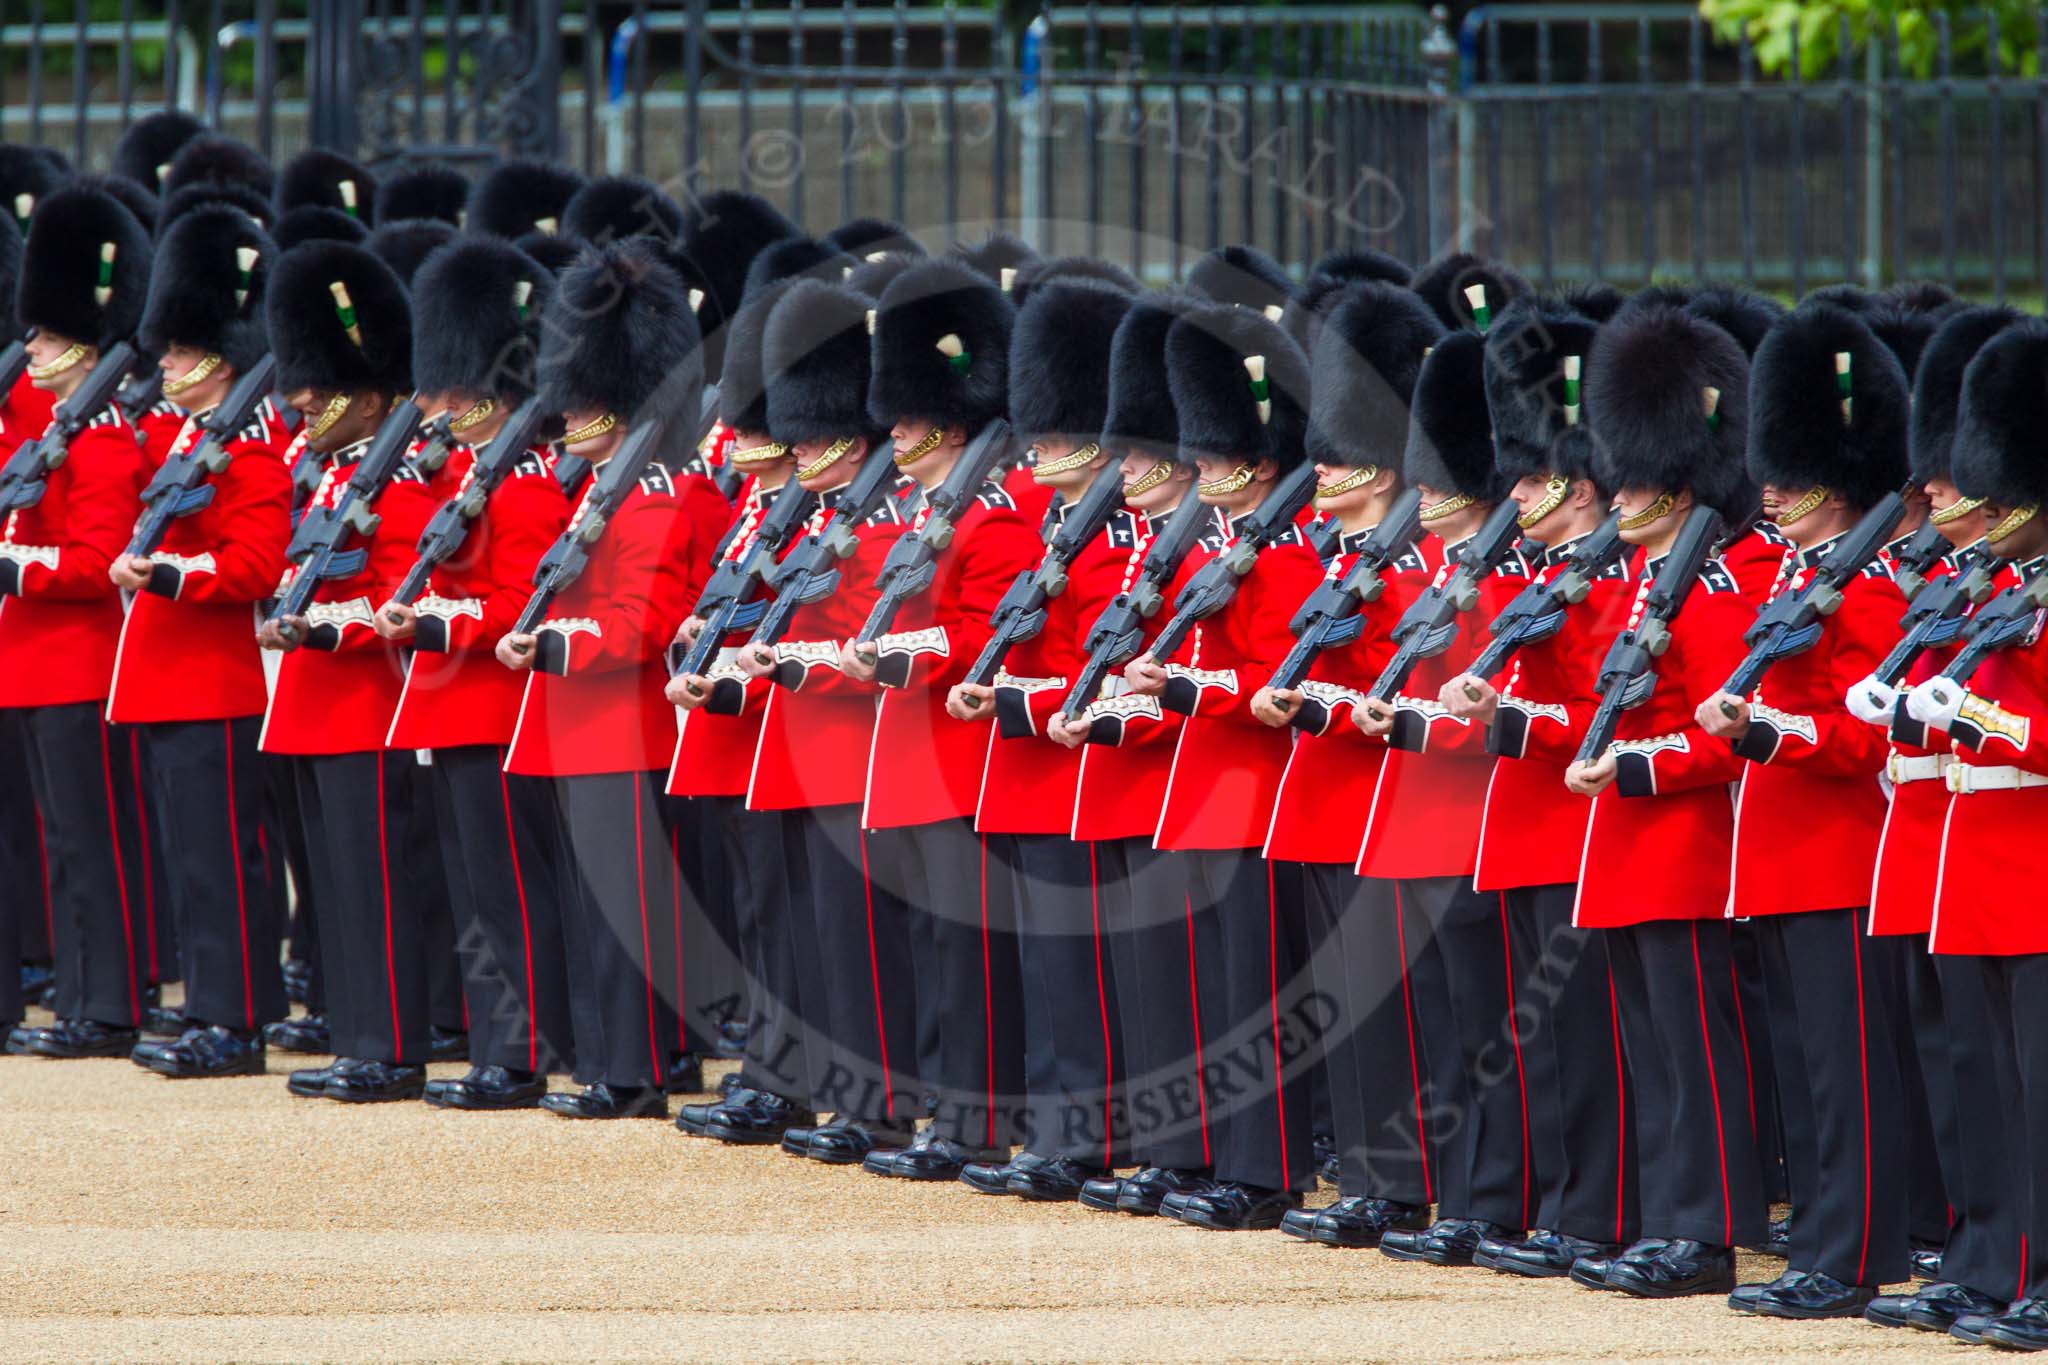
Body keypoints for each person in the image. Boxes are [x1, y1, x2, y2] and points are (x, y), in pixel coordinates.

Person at [1695, 302, 1913, 1319]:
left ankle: (1855, 1250)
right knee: (1806, 1068)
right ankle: (1822, 1238)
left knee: (1846, 1075)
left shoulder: (1864, 588)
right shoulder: (1797, 572)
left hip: (1837, 854)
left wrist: (1763, 737)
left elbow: (1863, 736)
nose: (1770, 492)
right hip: (1777, 853)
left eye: (1792, 477)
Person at [1563, 302, 1770, 1297]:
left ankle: (1708, 1229)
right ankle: (1662, 1217)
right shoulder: (1638, 584)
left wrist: (1637, 770)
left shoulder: (1714, 588)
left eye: (1642, 478)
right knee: (1649, 1047)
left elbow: (1722, 735)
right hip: (1622, 844)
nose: (1624, 493)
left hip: (1683, 842)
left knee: (1694, 1050)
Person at [1436, 296, 1641, 1275]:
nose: (1518, 491)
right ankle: (1558, 1202)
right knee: (1540, 1044)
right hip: (1517, 824)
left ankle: (1592, 1208)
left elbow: (1604, 704)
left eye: (1537, 477)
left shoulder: (1606, 580)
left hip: (1571, 822)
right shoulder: (1536, 571)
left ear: (1581, 483)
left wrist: (1509, 718)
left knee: (1585, 1040)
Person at [1119, 302, 1328, 1231]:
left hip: (1252, 792)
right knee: (1206, 991)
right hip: (1202, 793)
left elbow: (1268, 682)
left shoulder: (1282, 557)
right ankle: (1201, 1150)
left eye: (1213, 457)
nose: (1198, 471)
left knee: (1250, 994)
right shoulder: (1217, 543)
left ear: (1259, 457)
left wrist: (1181, 685)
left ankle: (1263, 1165)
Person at [498, 239, 712, 1119]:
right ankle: (615, 1059)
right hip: (579, 726)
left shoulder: (652, 491)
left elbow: (643, 622)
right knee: (593, 909)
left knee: (627, 914)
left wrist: (550, 643)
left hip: (625, 727)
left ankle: (633, 1073)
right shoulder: (597, 487)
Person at [842, 259, 1041, 1181]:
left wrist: (893, 653)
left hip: (958, 757)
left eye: (912, 422)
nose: (896, 433)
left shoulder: (989, 519)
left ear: (950, 425)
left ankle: (975, 1121)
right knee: (928, 945)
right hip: (911, 756)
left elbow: (980, 634)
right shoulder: (932, 509)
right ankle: (940, 1109)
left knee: (967, 955)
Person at [1255, 280, 1441, 1248]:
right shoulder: (1342, 555)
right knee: (1338, 1007)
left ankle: (1397, 1180)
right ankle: (1363, 1170)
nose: (1321, 477)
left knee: (1388, 1007)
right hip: (1321, 802)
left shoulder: (1409, 565)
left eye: (1339, 463)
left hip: (1379, 801)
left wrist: (1326, 703)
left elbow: (1393, 684)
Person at [947, 275, 1140, 1201]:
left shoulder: (1111, 537)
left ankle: (1088, 1132)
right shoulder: (1051, 522)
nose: (1044, 443)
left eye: (1062, 427)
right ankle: (1054, 1121)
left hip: (1073, 763)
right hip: (1023, 766)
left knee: (1079, 964)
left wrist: (1014, 696)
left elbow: (1102, 663)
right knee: (1042, 963)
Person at [374, 233, 574, 1110]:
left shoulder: (523, 486)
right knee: (469, 887)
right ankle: (497, 1040)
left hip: (493, 706)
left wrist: (434, 622)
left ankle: (520, 1048)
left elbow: (515, 606)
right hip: (448, 706)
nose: (437, 401)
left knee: (505, 888)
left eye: (453, 386)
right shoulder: (456, 473)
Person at [1356, 324, 1535, 1265]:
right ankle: (1435, 1188)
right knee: (1428, 1030)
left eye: (1434, 484)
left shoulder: (1504, 578)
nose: (1419, 497)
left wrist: (1426, 725)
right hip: (1410, 823)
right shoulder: (1421, 571)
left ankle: (1487, 1195)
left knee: (1480, 1030)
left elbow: (1500, 702)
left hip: (1471, 823)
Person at [110, 199, 291, 1078]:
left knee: (224, 859)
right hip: (163, 676)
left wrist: (173, 576)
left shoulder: (249, 452)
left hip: (213, 681)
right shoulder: (178, 438)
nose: (167, 362)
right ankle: (208, 1007)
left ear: (219, 359)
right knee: (189, 859)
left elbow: (254, 564)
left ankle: (239, 1017)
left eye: (179, 351)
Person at [259, 238, 439, 1103]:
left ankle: (392, 1043)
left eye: (321, 392)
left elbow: (395, 595)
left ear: (369, 397)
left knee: (375, 884)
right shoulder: (329, 471)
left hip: (366, 704)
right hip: (313, 703)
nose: (301, 401)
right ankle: (355, 1029)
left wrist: (318, 627)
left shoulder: (397, 477)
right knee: (335, 885)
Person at [1900, 317, 2048, 1349]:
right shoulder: (1987, 586)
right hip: (1972, 869)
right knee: (1988, 1095)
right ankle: (1998, 1263)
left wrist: (1978, 717)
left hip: (2032, 869)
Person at [0, 182, 155, 1059]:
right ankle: (77, 995)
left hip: (76, 660)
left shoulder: (101, 440)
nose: (34, 347)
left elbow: (95, 562)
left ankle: (107, 1003)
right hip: (28, 657)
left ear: (85, 345)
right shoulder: (45, 430)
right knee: (57, 843)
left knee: (89, 842)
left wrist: (15, 566)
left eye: (51, 336)